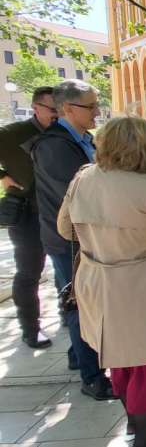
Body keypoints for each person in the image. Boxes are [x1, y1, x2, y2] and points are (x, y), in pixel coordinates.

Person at [57, 117, 146, 447]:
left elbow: (65, 229)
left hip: (97, 281)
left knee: (120, 360)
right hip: (141, 286)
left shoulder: (83, 178)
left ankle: (142, 423)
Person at [29, 79, 114, 401]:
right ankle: (92, 377)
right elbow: (82, 193)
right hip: (70, 242)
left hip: (83, 239)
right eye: (90, 106)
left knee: (83, 305)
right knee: (82, 307)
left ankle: (80, 358)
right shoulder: (54, 145)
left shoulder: (81, 138)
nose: (96, 111)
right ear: (67, 108)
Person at [0, 86, 58, 349]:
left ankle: (69, 314)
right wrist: (2, 177)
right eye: (52, 109)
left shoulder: (63, 134)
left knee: (67, 269)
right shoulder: (13, 134)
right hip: (28, 215)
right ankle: (30, 328)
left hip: (59, 213)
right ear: (36, 108)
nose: (57, 114)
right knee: (29, 272)